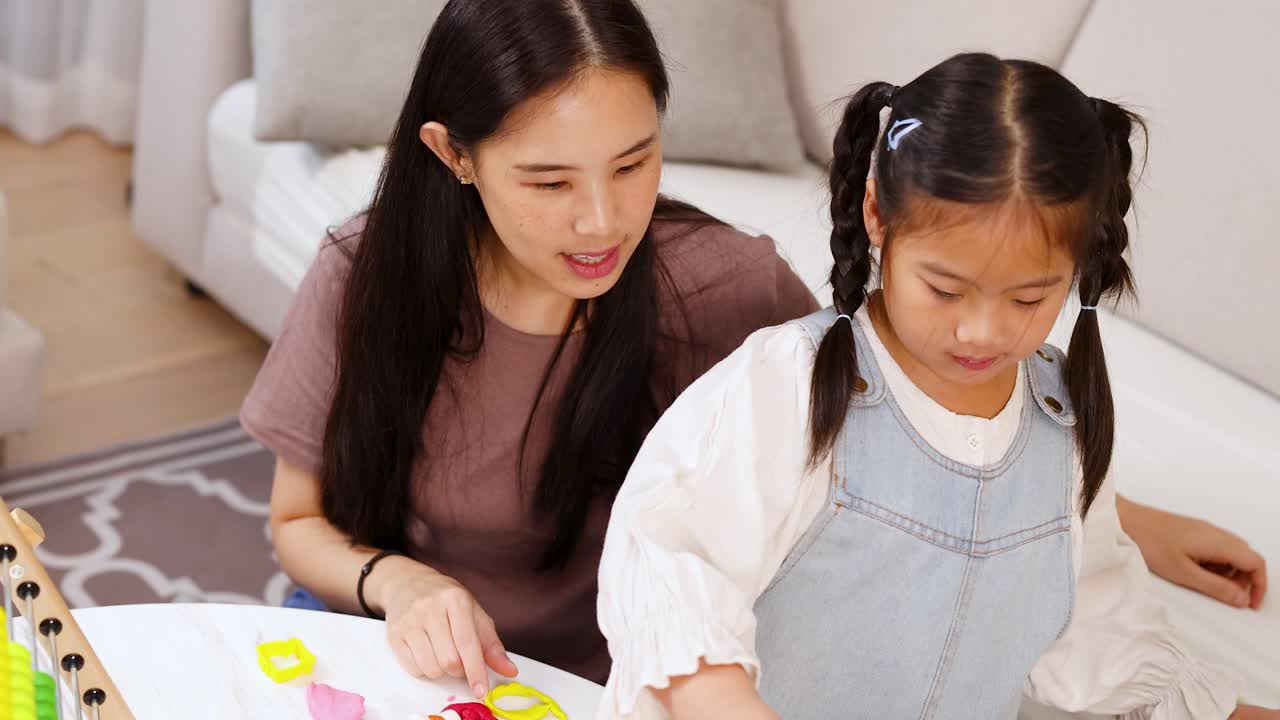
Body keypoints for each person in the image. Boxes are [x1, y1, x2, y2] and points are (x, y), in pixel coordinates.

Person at [595, 53, 1276, 719]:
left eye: (1028, 298)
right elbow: (667, 569)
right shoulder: (788, 386)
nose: (982, 331)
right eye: (945, 289)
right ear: (877, 215)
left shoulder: (1058, 421)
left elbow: (1099, 632)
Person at [238, 0, 816, 699]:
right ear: (454, 154)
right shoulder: (365, 274)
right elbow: (298, 521)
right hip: (393, 630)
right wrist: (400, 582)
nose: (602, 222)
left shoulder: (733, 289)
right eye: (550, 182)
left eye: (632, 165)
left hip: (610, 680)